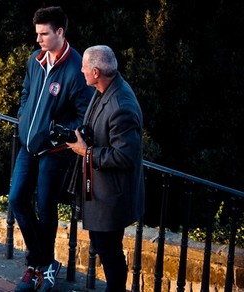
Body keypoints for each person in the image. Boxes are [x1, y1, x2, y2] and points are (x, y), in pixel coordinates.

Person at [8, 6, 93, 292]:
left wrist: (58, 133)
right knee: (17, 200)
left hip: (55, 152)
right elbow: (26, 93)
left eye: (44, 33)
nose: (39, 39)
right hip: (28, 145)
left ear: (60, 32)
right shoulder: (35, 60)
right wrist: (23, 117)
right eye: (37, 34)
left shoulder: (76, 69)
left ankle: (38, 267)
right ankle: (43, 263)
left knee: (45, 207)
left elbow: (85, 115)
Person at [66, 45, 145, 291]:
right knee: (104, 247)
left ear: (97, 71)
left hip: (112, 196)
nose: (81, 71)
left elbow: (124, 156)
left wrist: (85, 152)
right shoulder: (104, 89)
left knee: (110, 253)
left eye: (85, 68)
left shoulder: (121, 105)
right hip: (100, 192)